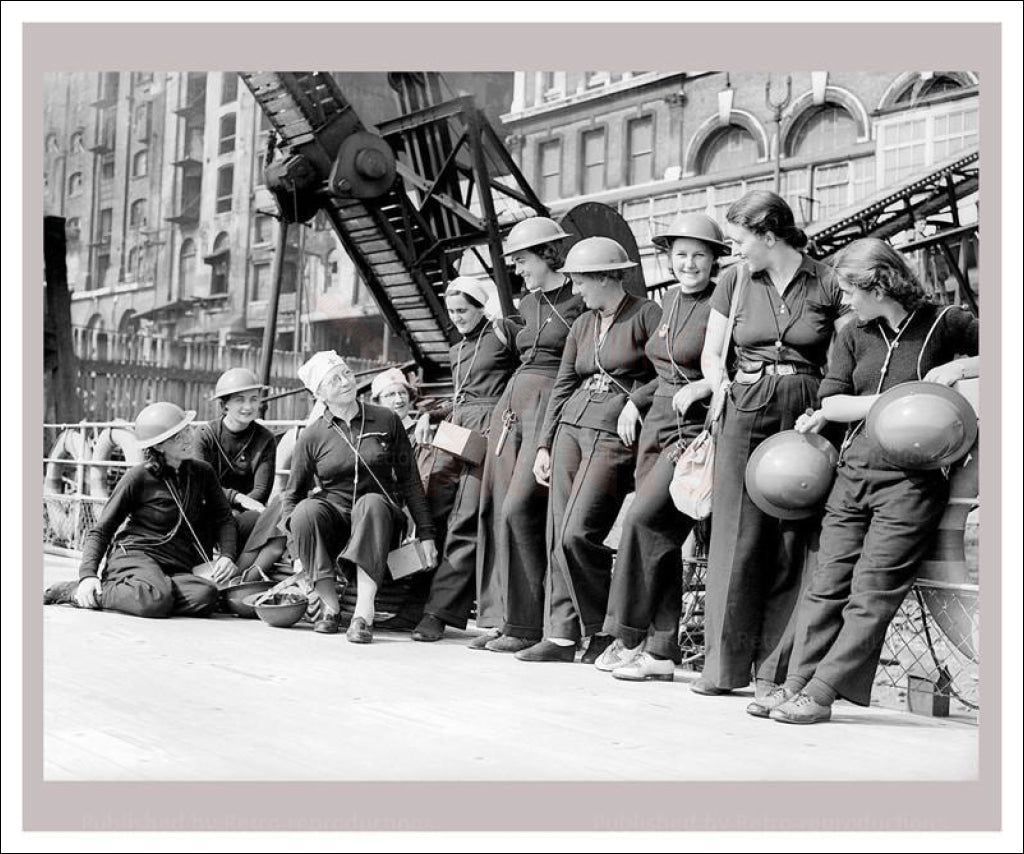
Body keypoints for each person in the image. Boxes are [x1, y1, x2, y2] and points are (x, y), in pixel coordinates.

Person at [746, 237, 979, 723]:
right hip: (853, 474)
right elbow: (831, 401)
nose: (845, 302)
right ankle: (794, 684)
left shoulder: (946, 323)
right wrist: (900, 399)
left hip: (912, 485)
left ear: (878, 283)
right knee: (826, 586)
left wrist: (961, 366)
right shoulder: (852, 332)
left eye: (851, 291)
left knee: (872, 593)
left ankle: (822, 692)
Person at [692, 190, 850, 697]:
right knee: (735, 538)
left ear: (769, 235)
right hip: (744, 405)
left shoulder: (827, 281)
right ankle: (722, 669)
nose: (733, 250)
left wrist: (826, 409)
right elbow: (713, 354)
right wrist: (718, 386)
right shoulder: (735, 281)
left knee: (792, 541)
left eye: (740, 240)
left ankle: (776, 672)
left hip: (807, 410)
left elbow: (844, 354)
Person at [516, 236, 661, 664]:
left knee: (577, 534)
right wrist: (544, 443)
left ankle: (601, 627)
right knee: (557, 532)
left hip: (611, 431)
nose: (575, 290)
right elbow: (563, 383)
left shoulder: (646, 313)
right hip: (570, 429)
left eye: (581, 282)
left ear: (604, 277)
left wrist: (636, 401)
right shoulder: (582, 324)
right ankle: (562, 635)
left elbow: (669, 372)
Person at [598, 213, 728, 679]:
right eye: (680, 255)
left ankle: (625, 635)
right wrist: (635, 401)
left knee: (643, 523)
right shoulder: (669, 300)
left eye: (699, 255)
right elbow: (659, 368)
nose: (689, 264)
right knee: (665, 544)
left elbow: (731, 368)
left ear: (715, 260)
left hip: (692, 435)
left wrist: (705, 389)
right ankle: (661, 651)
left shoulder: (723, 301)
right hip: (654, 429)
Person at [474, 217, 586, 653]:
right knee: (501, 509)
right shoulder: (528, 302)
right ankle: (516, 623)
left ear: (547, 255)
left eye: (522, 259)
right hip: (513, 409)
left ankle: (545, 625)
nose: (518, 268)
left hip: (549, 407)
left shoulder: (577, 300)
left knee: (522, 508)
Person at [280, 351, 438, 643]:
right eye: (334, 380)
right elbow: (291, 497)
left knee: (371, 502)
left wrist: (426, 535)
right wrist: (296, 551)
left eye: (347, 374)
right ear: (320, 394)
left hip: (380, 522)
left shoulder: (386, 420)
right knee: (305, 510)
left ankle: (363, 612)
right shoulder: (312, 436)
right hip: (336, 524)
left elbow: (411, 482)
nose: (345, 382)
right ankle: (330, 605)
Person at [43, 402, 238, 618]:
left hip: (175, 565)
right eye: (176, 436)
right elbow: (101, 530)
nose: (187, 438)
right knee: (155, 601)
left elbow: (223, 518)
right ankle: (77, 593)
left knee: (206, 596)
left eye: (187, 430)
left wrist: (227, 555)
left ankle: (145, 592)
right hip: (136, 556)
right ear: (158, 446)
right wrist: (87, 576)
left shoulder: (203, 473)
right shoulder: (139, 477)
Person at [411, 277, 521, 642]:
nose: (456, 317)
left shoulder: (504, 333)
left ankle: (437, 613)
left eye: (463, 310)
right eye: (452, 311)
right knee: (432, 510)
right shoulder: (457, 348)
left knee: (467, 519)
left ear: (480, 306)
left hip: (490, 433)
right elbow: (462, 397)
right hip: (456, 433)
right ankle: (414, 599)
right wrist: (433, 413)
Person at [195, 367, 276, 546]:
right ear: (224, 405)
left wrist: (237, 511)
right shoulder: (205, 435)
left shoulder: (265, 439)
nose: (248, 407)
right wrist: (237, 499)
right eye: (240, 400)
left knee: (262, 519)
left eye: (254, 399)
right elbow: (202, 485)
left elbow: (261, 490)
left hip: (245, 515)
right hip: (208, 510)